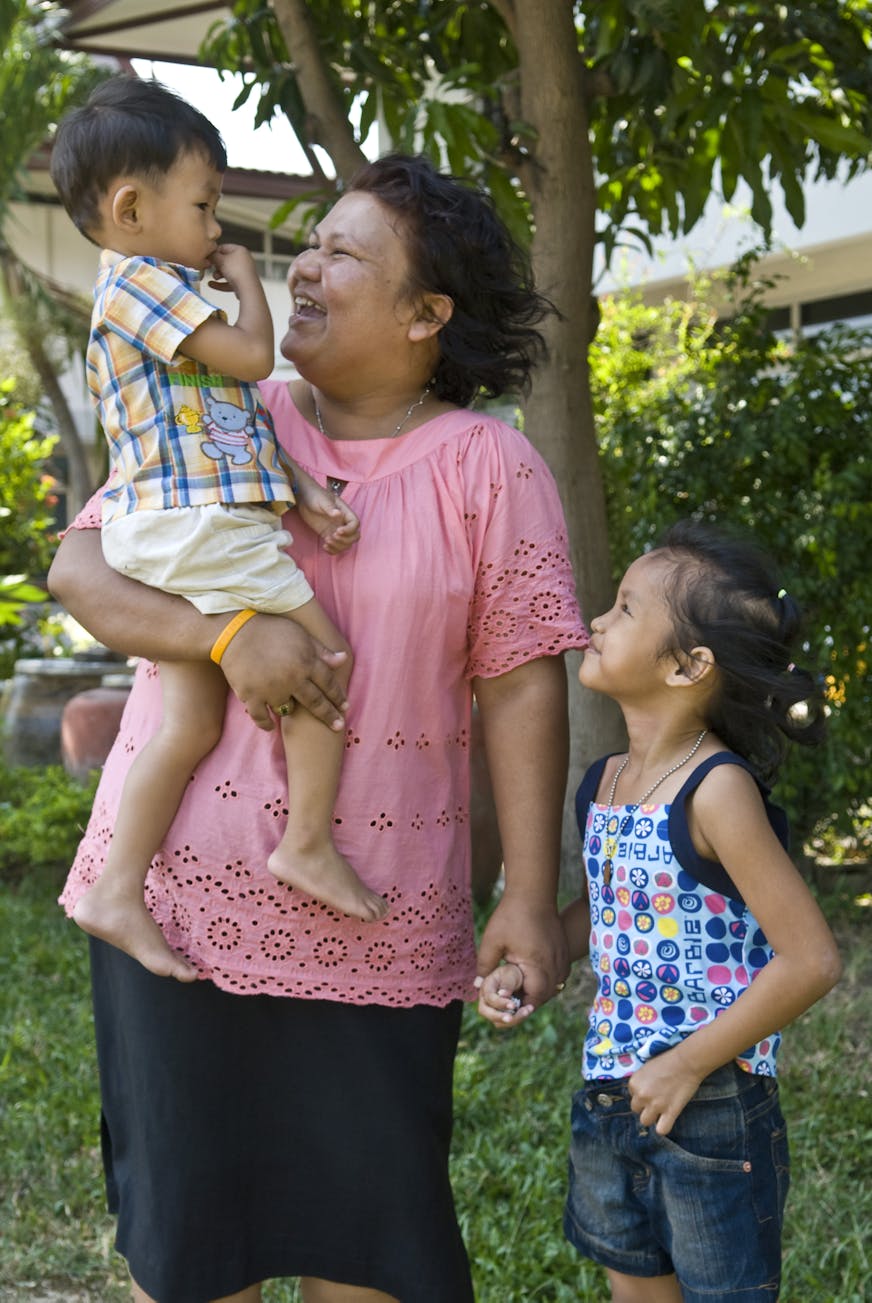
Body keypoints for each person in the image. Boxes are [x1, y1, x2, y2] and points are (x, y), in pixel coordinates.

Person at [48, 148, 588, 1303]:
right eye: (312, 244)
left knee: (372, 1254)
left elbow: (519, 687)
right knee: (194, 1257)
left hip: (378, 909)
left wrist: (531, 897)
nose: (304, 270)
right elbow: (81, 570)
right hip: (178, 905)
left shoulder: (490, 468)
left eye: (343, 253)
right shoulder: (220, 405)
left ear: (423, 314)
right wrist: (229, 638)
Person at [49, 75, 387, 985]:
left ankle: (117, 886)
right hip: (192, 529)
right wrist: (245, 282)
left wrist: (298, 487)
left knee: (187, 723)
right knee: (325, 665)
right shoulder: (141, 285)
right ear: (130, 207)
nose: (213, 228)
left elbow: (222, 425)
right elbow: (251, 357)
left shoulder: (153, 294)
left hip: (190, 519)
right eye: (204, 205)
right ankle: (307, 842)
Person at [478, 519, 842, 1303]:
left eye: (624, 609)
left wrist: (687, 1061)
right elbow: (606, 911)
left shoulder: (717, 789)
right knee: (635, 1280)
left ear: (687, 665)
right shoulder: (607, 780)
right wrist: (537, 960)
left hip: (709, 1104)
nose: (596, 621)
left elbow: (811, 958)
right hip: (615, 1091)